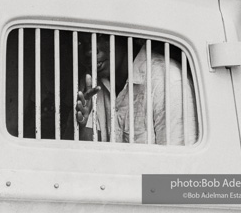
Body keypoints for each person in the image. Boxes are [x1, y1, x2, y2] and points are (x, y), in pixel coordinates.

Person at [65, 33, 197, 145]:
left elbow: (179, 169)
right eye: (80, 41)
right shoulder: (90, 85)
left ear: (122, 34)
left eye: (99, 36)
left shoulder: (167, 80)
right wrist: (79, 127)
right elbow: (86, 161)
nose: (89, 51)